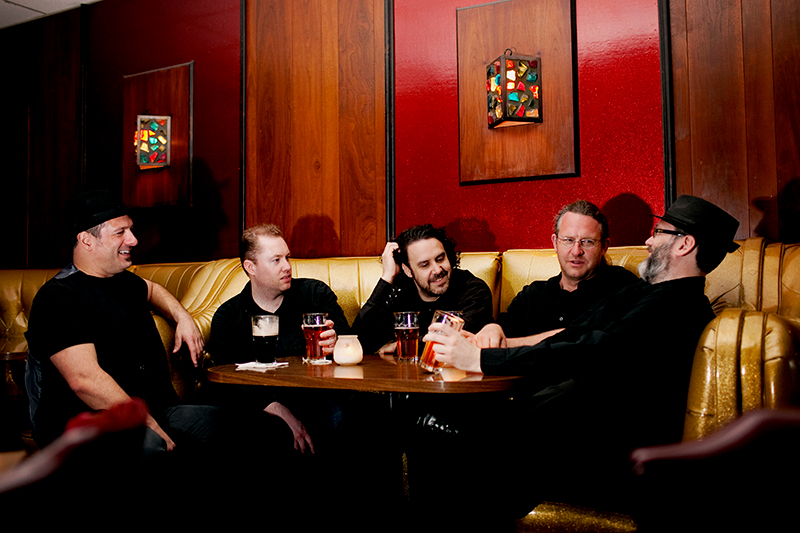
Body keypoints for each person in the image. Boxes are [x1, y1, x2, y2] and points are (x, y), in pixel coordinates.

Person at [423, 195, 740, 518]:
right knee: (444, 424)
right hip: (583, 430)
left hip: (611, 455)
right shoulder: (648, 293)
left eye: (659, 232)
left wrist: (478, 361)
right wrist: (483, 349)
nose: (648, 240)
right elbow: (577, 332)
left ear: (684, 244)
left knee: (446, 431)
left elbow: (590, 349)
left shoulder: (677, 306)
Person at [24, 190, 224, 454]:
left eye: (131, 229)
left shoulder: (124, 281)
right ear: (86, 240)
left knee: (256, 428)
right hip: (85, 424)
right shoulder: (58, 297)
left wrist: (182, 316)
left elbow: (153, 291)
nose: (134, 239)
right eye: (120, 232)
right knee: (149, 445)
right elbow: (84, 380)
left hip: (157, 410)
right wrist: (146, 422)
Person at [205, 223, 352, 454]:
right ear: (250, 267)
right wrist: (275, 408)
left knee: (347, 415)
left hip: (319, 400)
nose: (287, 267)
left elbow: (353, 344)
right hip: (259, 409)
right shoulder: (229, 317)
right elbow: (227, 381)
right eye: (276, 260)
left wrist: (338, 343)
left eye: (287, 258)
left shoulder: (314, 295)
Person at [478, 200, 639, 347]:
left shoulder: (621, 287)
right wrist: (492, 328)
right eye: (568, 240)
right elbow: (499, 333)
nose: (576, 251)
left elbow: (583, 341)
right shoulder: (533, 295)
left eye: (587, 242)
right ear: (555, 243)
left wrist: (509, 344)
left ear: (604, 246)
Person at [354, 224, 494, 355]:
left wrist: (405, 345)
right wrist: (387, 278)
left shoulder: (473, 289)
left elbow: (457, 337)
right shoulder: (400, 292)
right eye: (425, 265)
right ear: (408, 270)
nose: (437, 270)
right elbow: (359, 342)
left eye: (440, 259)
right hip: (403, 378)